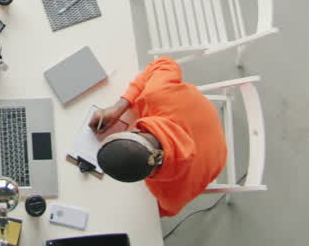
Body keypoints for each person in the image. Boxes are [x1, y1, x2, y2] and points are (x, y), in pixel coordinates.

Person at [88, 57, 226, 217]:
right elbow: (164, 63)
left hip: (216, 158)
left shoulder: (168, 193)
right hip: (212, 149)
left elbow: (163, 212)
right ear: (135, 133)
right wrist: (120, 106)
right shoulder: (158, 94)